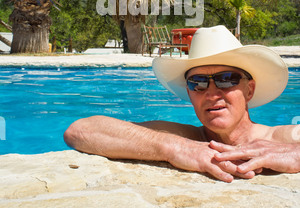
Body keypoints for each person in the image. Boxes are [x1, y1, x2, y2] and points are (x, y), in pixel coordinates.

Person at [64, 26, 300, 183]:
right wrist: (175, 148)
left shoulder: (280, 139)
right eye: (197, 83)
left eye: (226, 79)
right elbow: (80, 130)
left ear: (249, 90)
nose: (211, 93)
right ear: (189, 92)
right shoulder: (189, 139)